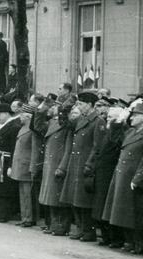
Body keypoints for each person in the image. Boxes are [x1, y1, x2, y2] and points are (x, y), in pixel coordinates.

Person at [101, 103, 143, 254]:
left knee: (133, 212)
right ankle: (129, 241)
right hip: (122, 174)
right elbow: (115, 138)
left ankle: (139, 243)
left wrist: (138, 178)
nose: (132, 118)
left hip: (132, 176)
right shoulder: (132, 131)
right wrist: (119, 120)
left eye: (135, 115)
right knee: (122, 211)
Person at [56, 91, 105, 241]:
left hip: (85, 165)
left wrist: (90, 164)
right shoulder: (82, 119)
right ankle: (80, 228)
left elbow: (97, 146)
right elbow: (65, 123)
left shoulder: (98, 121)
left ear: (90, 105)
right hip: (75, 164)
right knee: (75, 199)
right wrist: (66, 105)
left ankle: (88, 231)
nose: (79, 106)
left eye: (81, 104)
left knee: (84, 201)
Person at [86, 103, 127, 248]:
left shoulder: (119, 131)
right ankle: (106, 236)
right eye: (108, 116)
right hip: (101, 172)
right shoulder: (108, 131)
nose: (108, 119)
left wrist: (118, 123)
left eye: (111, 117)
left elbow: (115, 141)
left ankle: (114, 238)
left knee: (106, 206)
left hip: (109, 174)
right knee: (100, 206)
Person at [38, 99, 73, 235]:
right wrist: (42, 108)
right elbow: (38, 125)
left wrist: (62, 167)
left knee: (58, 199)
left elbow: (68, 148)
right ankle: (53, 225)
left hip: (58, 164)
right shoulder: (53, 122)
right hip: (50, 164)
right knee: (50, 198)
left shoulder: (67, 127)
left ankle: (61, 227)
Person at [10, 97, 40, 227]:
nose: (19, 117)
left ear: (28, 116)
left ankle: (29, 218)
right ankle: (25, 217)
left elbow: (35, 150)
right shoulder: (22, 128)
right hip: (20, 165)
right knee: (23, 193)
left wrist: (33, 167)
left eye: (22, 115)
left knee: (28, 194)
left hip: (27, 166)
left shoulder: (32, 131)